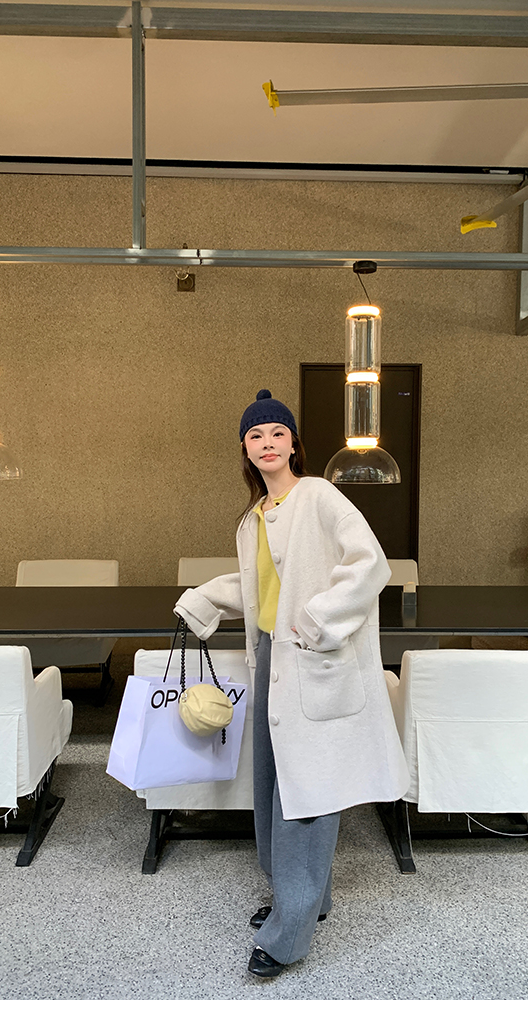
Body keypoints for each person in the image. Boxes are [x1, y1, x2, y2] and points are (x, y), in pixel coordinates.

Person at [174, 389, 409, 978]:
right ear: (245, 450)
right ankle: (304, 900)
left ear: (294, 444)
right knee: (275, 786)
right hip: (271, 661)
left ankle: (287, 936)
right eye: (256, 436)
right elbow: (260, 584)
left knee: (307, 796)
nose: (267, 443)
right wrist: (203, 600)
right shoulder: (254, 517)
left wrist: (317, 620)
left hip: (311, 658)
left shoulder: (319, 495)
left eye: (277, 433)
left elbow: (370, 563)